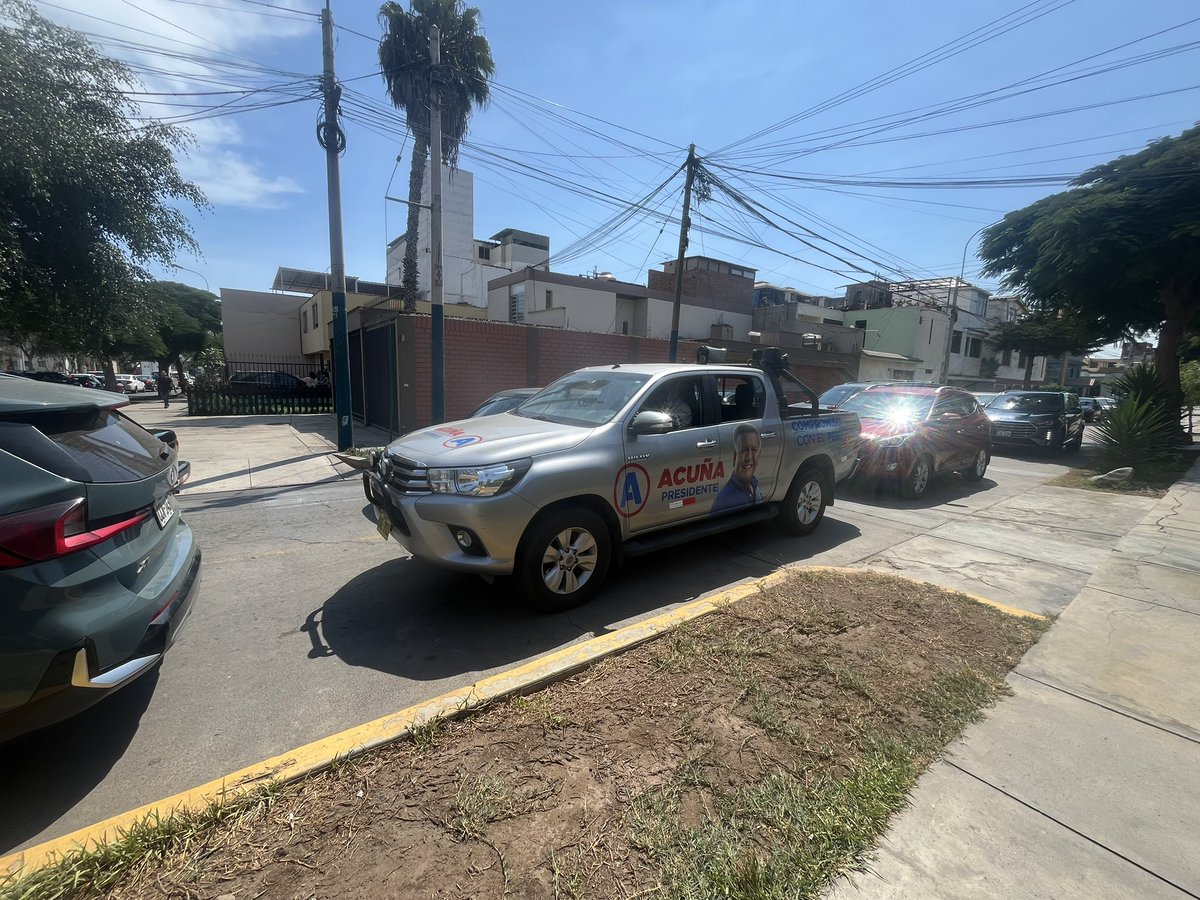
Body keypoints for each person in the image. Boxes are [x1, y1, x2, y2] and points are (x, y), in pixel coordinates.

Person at [711, 423, 762, 513]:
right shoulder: (723, 500)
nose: (749, 457)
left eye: (754, 450)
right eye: (744, 451)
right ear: (734, 456)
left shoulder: (756, 488)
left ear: (759, 455)